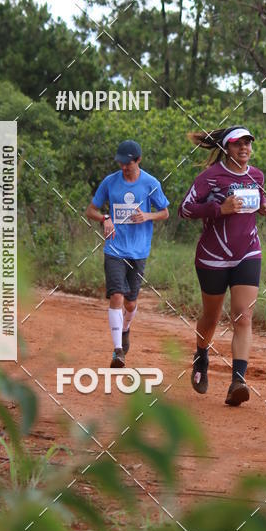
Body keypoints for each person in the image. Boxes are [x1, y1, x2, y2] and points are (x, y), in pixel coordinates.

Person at [178, 126, 266, 406]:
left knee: (243, 317)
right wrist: (218, 209)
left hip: (248, 252)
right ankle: (201, 355)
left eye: (248, 143)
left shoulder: (256, 175)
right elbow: (184, 209)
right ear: (226, 149)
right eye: (237, 145)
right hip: (213, 256)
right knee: (211, 317)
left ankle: (238, 381)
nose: (244, 148)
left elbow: (260, 204)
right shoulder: (209, 178)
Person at [86, 140, 169, 368]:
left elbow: (165, 212)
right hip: (114, 248)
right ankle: (117, 351)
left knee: (131, 303)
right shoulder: (110, 182)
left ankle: (125, 329)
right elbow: (91, 210)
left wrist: (147, 216)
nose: (123, 167)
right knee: (116, 296)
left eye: (128, 163)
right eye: (120, 163)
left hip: (139, 250)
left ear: (138, 160)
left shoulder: (150, 183)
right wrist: (105, 218)